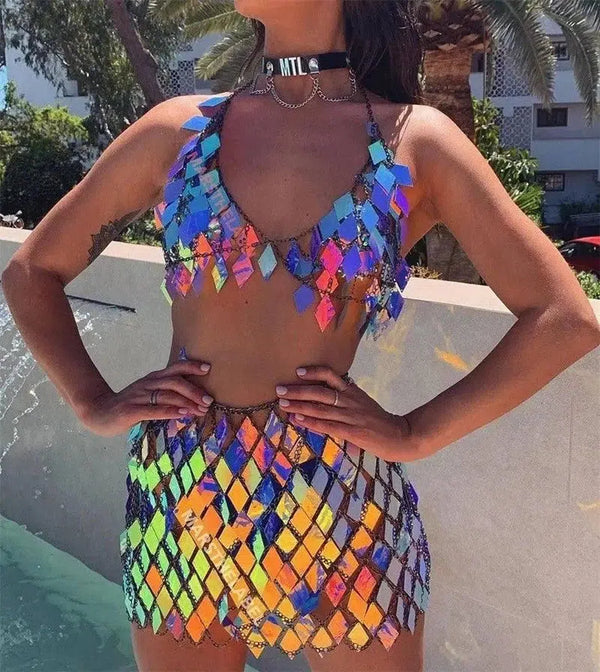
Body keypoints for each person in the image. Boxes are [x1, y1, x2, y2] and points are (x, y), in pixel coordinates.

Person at [3, 1, 600, 671]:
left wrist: (415, 433)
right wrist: (91, 401)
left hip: (336, 499)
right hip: (182, 498)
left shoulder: (415, 141)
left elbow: (565, 318)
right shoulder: (175, 133)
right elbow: (31, 272)